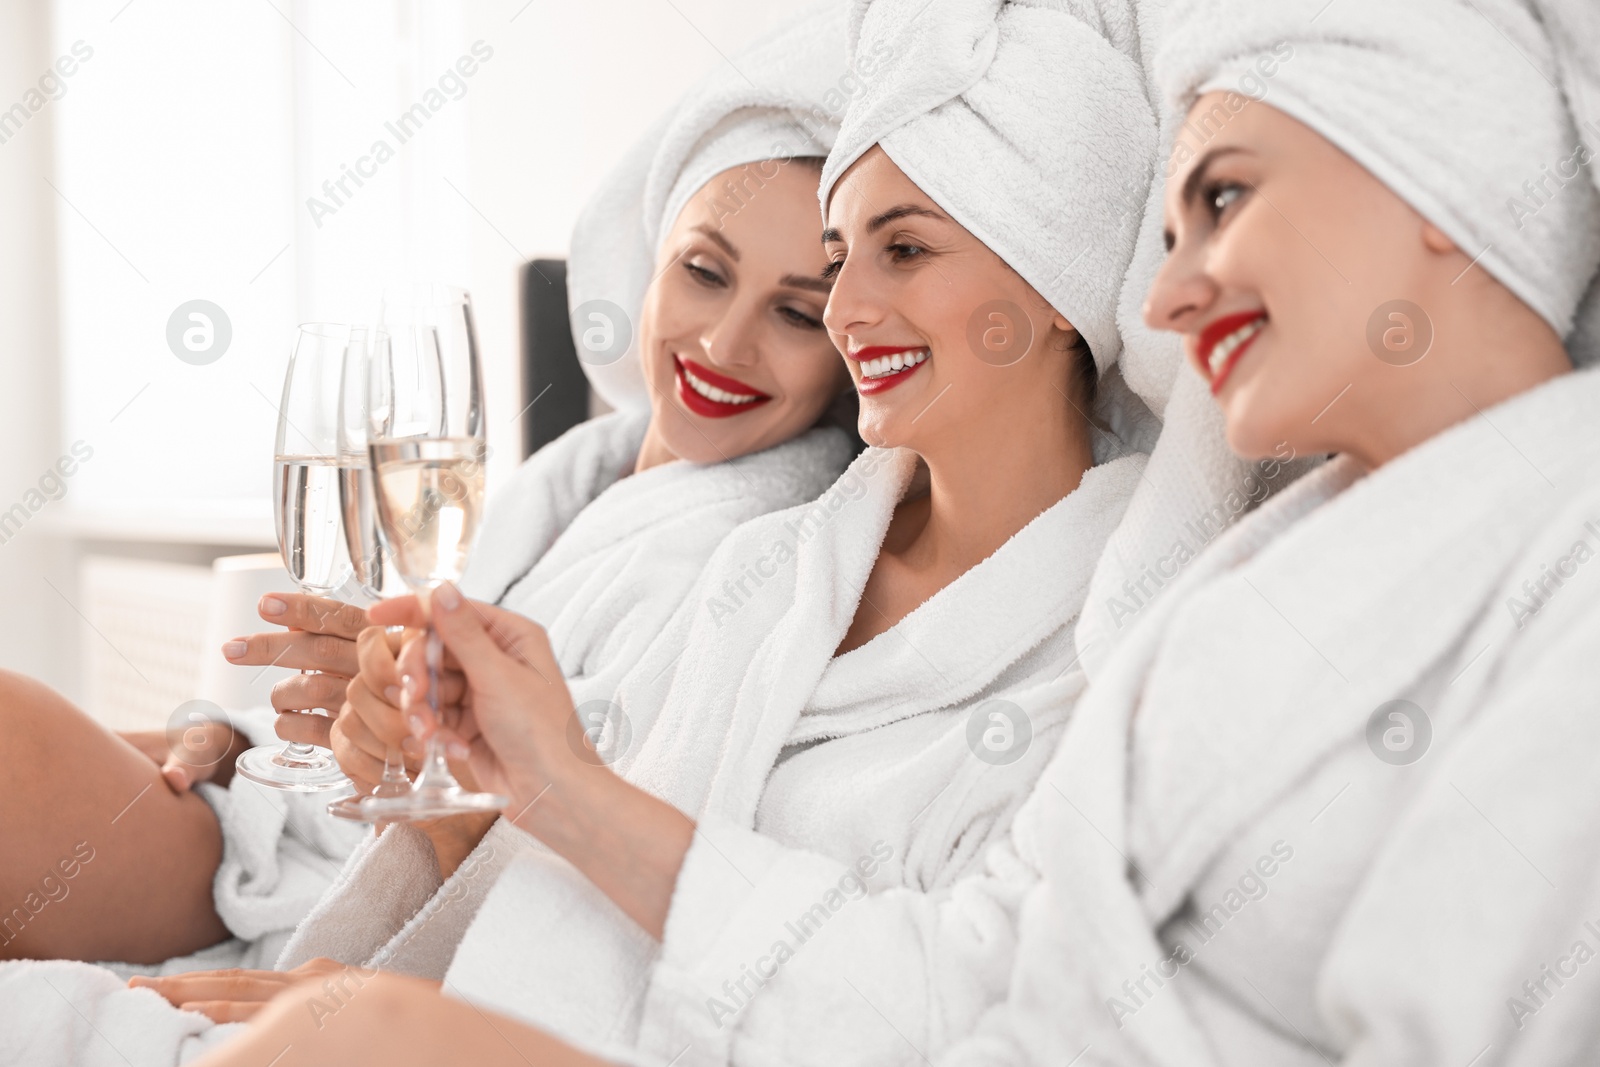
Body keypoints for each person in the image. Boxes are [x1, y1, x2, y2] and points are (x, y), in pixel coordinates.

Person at [151, 2, 1174, 1065]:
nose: (847, 308)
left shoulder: (1110, 640)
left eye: (902, 249)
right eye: (842, 254)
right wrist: (476, 802)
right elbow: (569, 875)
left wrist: (436, 986)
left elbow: (962, 998)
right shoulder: (779, 572)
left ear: (1058, 275)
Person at [0, 0, 854, 986]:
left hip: (350, 884)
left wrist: (405, 765)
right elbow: (362, 711)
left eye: (797, 312)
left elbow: (579, 841)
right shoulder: (567, 476)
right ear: (649, 259)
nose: (723, 344)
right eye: (705, 272)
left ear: (844, 351)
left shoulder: (778, 556)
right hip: (280, 826)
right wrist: (238, 739)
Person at [930, 0, 1600, 1064]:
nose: (1162, 301)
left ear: (1434, 152)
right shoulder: (1240, 579)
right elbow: (1001, 951)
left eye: (1224, 196)